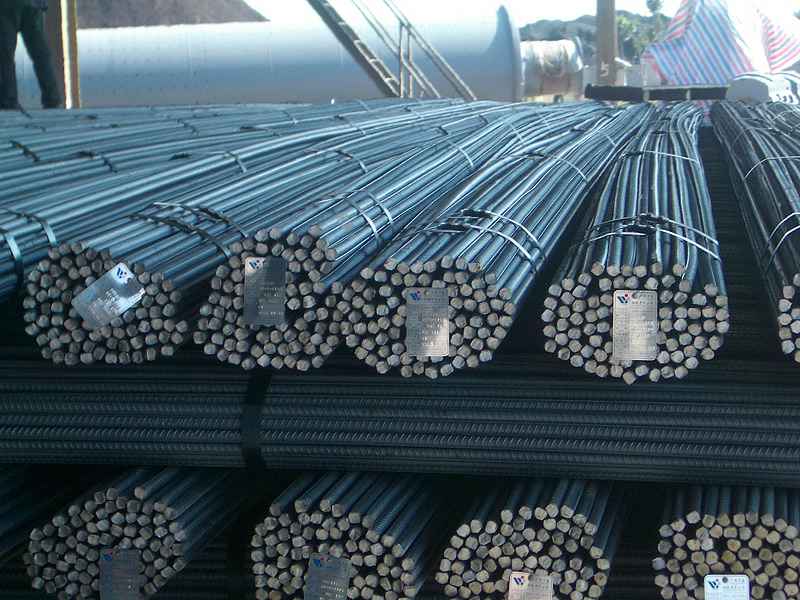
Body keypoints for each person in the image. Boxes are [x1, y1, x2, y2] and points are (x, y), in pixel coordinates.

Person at [0, 0, 62, 110]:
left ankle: (9, 101)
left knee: (5, 56)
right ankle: (52, 98)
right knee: (40, 53)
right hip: (32, 5)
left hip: (7, 6)